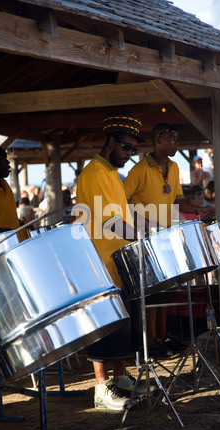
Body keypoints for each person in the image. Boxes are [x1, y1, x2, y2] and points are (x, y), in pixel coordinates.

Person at [76, 113, 152, 411]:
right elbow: (110, 220)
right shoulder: (95, 172)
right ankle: (101, 388)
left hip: (118, 262)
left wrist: (150, 227)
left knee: (121, 325)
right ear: (110, 141)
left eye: (134, 150)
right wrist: (139, 237)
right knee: (105, 326)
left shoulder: (112, 175)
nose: (130, 154)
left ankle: (120, 380)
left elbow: (125, 214)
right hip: (100, 263)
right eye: (126, 147)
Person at [124, 123, 214, 358]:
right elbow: (121, 199)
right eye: (171, 138)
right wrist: (138, 222)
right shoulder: (139, 169)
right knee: (152, 291)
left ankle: (163, 335)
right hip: (146, 236)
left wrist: (198, 211)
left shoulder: (174, 168)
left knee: (166, 287)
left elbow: (177, 201)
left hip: (166, 233)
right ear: (158, 140)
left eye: (177, 138)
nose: (176, 142)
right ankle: (150, 339)